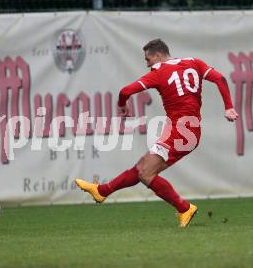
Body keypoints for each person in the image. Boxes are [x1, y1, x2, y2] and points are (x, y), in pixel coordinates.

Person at [75, 39, 239, 227]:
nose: (147, 64)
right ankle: (102, 191)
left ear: (158, 55)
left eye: (147, 59)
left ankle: (184, 208)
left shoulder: (159, 72)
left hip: (182, 131)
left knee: (145, 172)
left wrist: (122, 106)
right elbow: (220, 79)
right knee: (142, 169)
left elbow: (125, 91)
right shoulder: (195, 63)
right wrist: (228, 107)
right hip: (187, 129)